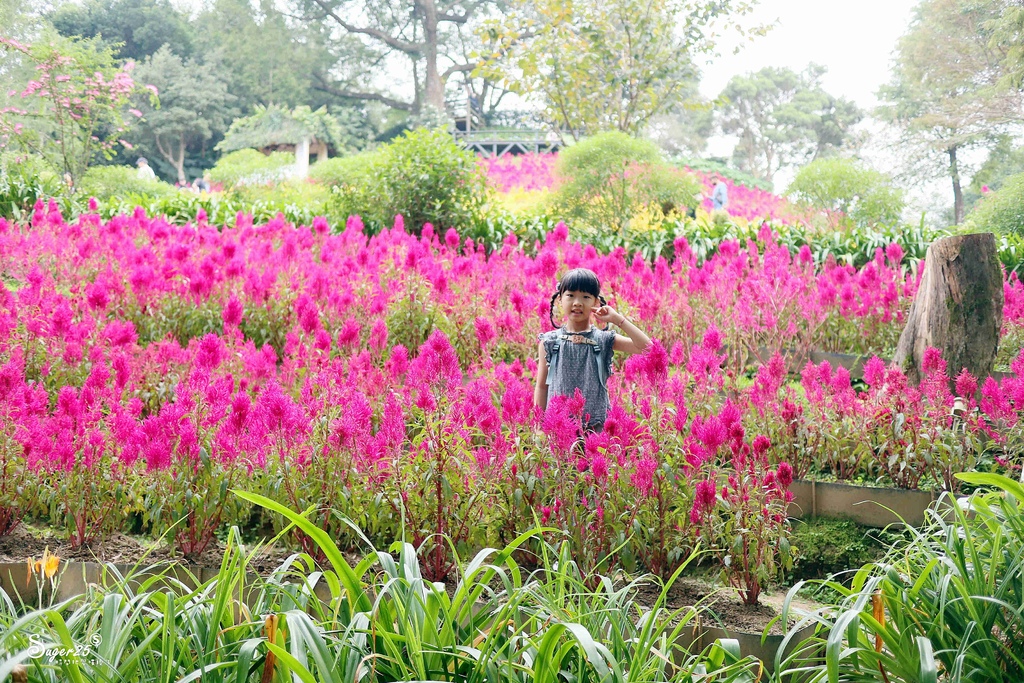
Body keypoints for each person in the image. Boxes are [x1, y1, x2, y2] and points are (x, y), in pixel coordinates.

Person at [533, 268, 652, 437]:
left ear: (596, 302)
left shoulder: (603, 340)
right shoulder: (550, 342)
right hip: (558, 429)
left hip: (596, 429)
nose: (578, 302)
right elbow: (541, 386)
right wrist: (539, 426)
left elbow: (648, 348)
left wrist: (617, 319)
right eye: (571, 295)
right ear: (560, 299)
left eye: (586, 297)